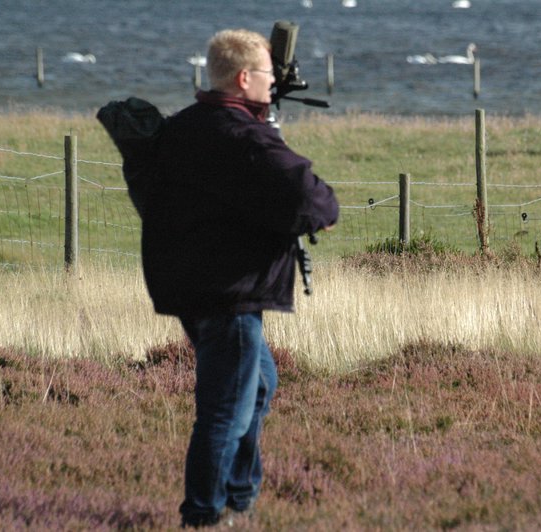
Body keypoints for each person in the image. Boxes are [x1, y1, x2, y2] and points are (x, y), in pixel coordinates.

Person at [142, 28, 338, 528]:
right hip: (230, 293)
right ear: (245, 77)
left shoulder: (184, 126)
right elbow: (310, 197)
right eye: (270, 76)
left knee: (256, 388)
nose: (275, 85)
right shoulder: (246, 138)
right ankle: (206, 514)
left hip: (187, 284)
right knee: (225, 410)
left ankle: (240, 497)